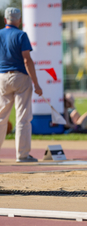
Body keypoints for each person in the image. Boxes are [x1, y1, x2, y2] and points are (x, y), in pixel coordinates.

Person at [0, 7, 43, 162]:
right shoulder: (21, 35)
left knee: (1, 117)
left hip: (2, 77)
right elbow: (27, 60)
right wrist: (36, 84)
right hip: (20, 77)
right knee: (23, 117)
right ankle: (22, 155)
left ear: (5, 20)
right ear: (19, 20)